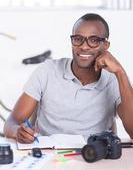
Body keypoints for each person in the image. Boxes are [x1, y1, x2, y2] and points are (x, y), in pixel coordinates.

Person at [4, 13, 133, 143]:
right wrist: (18, 132)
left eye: (93, 40)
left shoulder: (115, 80)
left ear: (105, 46)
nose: (84, 46)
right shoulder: (47, 71)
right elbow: (11, 123)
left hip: (94, 157)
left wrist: (120, 72)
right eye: (78, 39)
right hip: (48, 156)